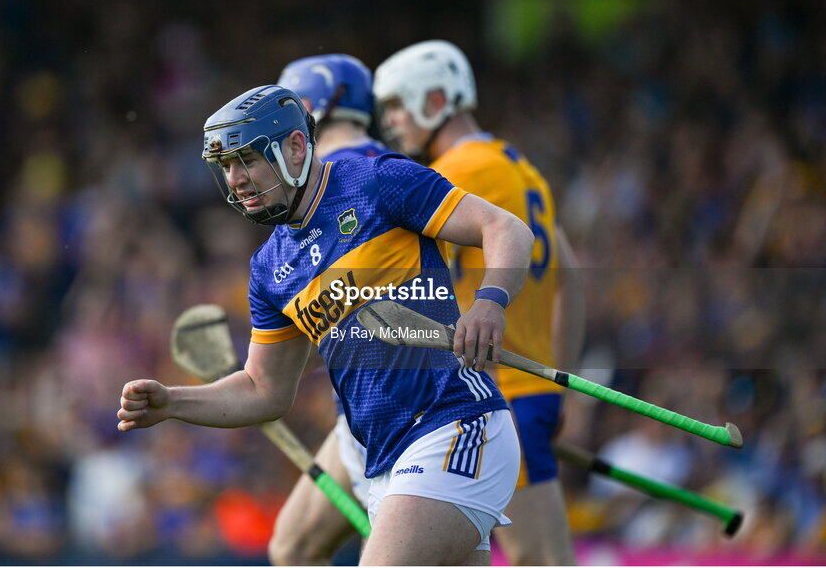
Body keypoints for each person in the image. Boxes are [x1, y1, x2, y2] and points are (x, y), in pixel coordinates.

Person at [118, 83, 537, 565]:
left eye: (248, 160)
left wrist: (490, 302)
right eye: (227, 167)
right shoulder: (269, 267)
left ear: (296, 147)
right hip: (385, 461)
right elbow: (263, 390)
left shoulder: (376, 182)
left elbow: (505, 228)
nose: (235, 179)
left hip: (454, 428)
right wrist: (174, 402)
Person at [373, 40, 585, 565]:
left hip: (494, 397)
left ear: (436, 98)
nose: (392, 120)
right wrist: (561, 386)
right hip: (528, 393)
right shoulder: (521, 168)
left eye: (399, 104)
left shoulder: (455, 173)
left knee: (543, 561)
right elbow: (572, 279)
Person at [268, 54, 391, 566]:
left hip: (405, 408)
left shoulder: (348, 177)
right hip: (358, 416)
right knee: (292, 546)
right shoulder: (397, 163)